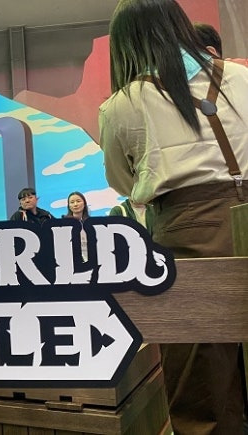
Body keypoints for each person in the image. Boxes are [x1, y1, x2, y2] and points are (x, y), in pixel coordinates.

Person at [99, 1, 248, 432]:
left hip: (187, 226)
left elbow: (122, 181)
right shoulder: (239, 76)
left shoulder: (123, 104)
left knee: (201, 376)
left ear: (125, 44)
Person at [63, 192, 89, 261]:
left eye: (78, 201)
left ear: (84, 203)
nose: (75, 204)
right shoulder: (64, 224)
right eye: (72, 202)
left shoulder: (91, 223)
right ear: (69, 206)